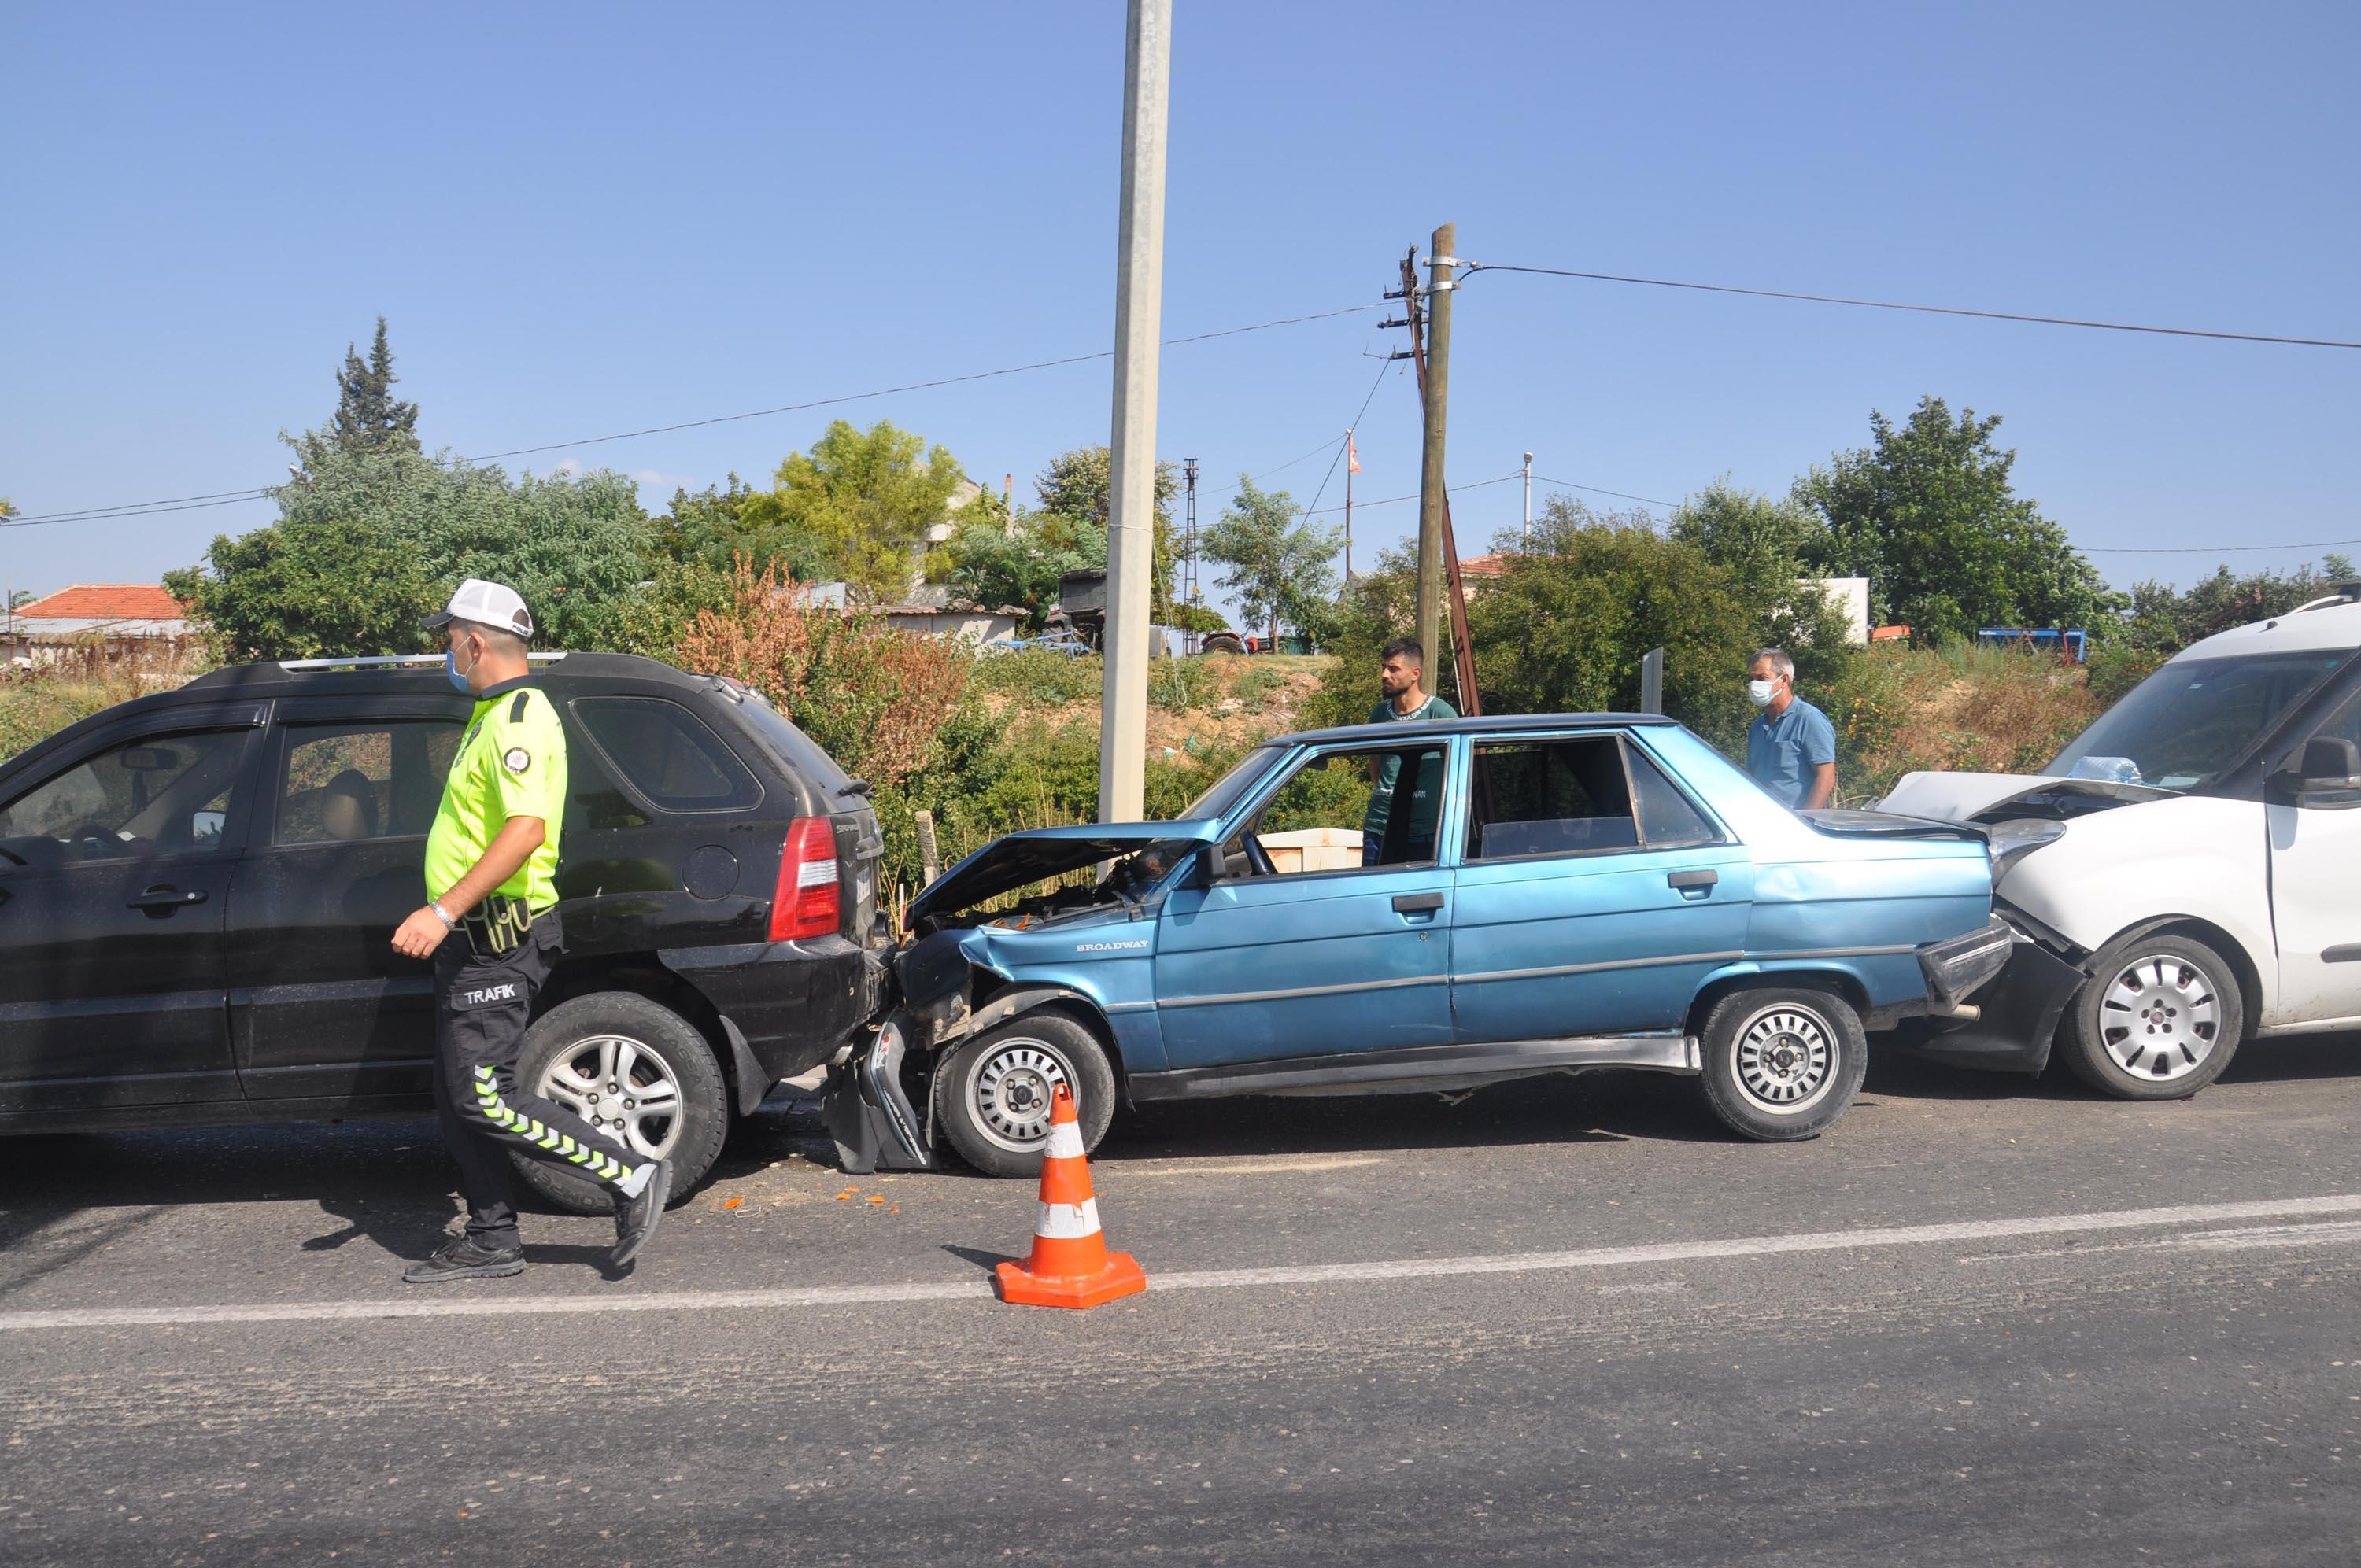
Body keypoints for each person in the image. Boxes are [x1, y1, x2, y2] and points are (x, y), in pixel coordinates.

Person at [394, 578, 671, 1283]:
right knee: (458, 1097)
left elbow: (524, 832)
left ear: (474, 641)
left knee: (483, 1094)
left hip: (496, 938)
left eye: (446, 638)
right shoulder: (492, 715)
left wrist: (443, 908)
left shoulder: (519, 719)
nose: (443, 651)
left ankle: (631, 1173)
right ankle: (492, 1238)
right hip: (472, 940)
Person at [1362, 636, 1458, 865]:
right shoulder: (1379, 715)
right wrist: (1387, 794)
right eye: (1384, 667)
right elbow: (1374, 762)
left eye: (1393, 668)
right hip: (1380, 826)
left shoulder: (1440, 714)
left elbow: (1458, 770)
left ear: (1415, 673)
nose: (1385, 675)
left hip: (1424, 831)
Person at [1744, 647, 1838, 810]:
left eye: (1762, 678)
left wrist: (1807, 820)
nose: (1755, 684)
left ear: (1784, 680)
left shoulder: (1809, 719)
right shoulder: (1758, 726)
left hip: (1795, 822)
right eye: (1752, 678)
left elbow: (1826, 776)